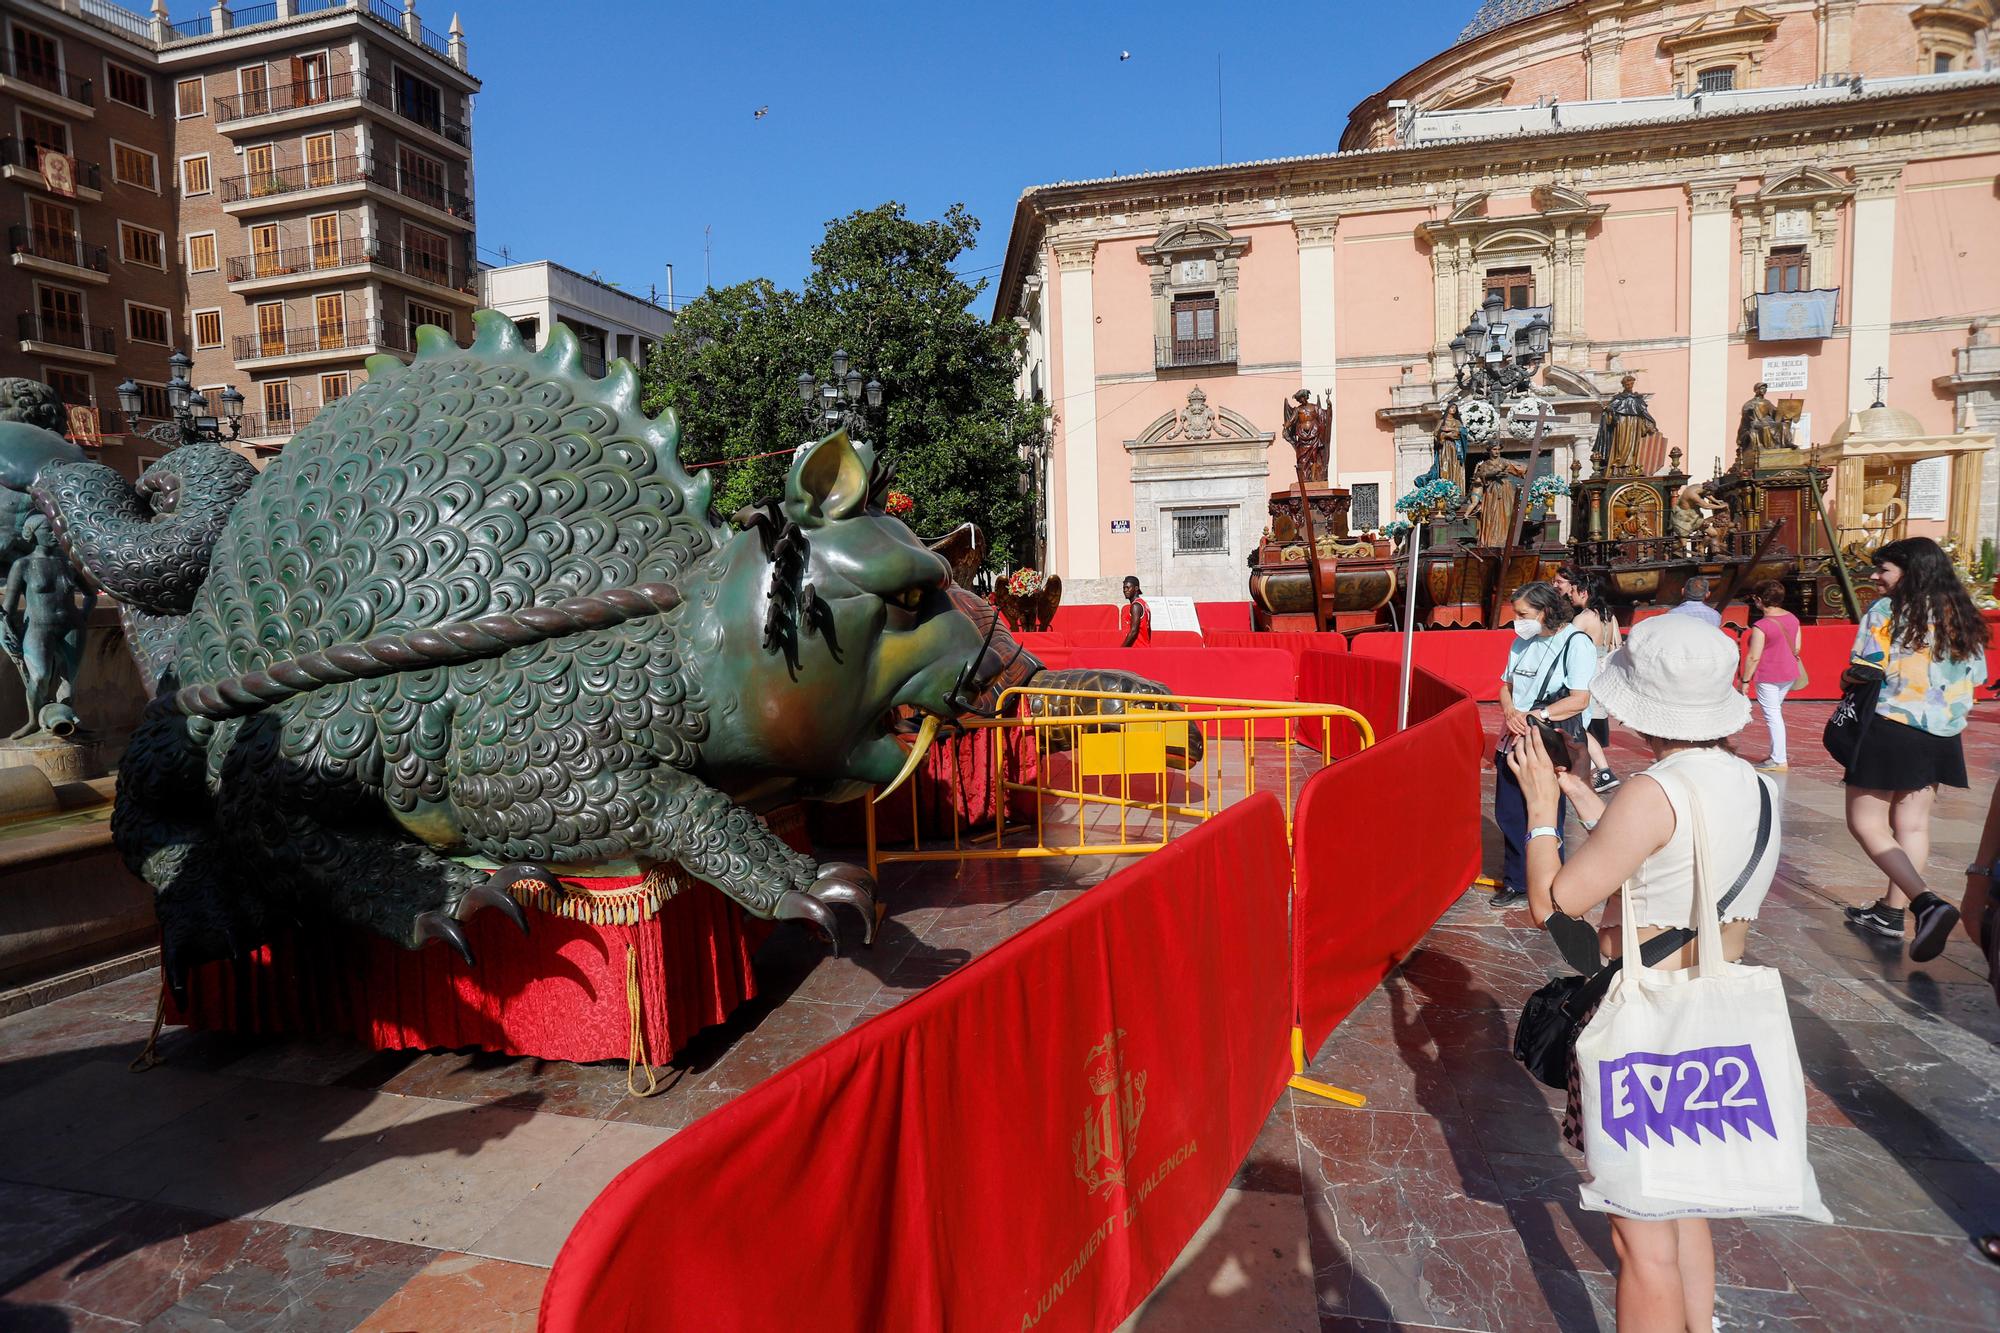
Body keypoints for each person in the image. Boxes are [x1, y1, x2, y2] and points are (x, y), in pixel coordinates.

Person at [1506, 614, 1777, 1333]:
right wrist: (1584, 793)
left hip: (1649, 1028)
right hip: (1713, 1019)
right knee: (1686, 1207)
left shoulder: (1653, 791)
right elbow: (1672, 853)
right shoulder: (1754, 786)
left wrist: (1540, 810)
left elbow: (1552, 905)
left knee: (1641, 1238)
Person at [1838, 536, 1990, 961]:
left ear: (1910, 571)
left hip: (1891, 726)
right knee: (1914, 825)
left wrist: (1847, 681)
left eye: (1883, 569)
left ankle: (1926, 902)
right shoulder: (1963, 614)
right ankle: (1891, 910)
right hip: (1942, 733)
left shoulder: (1888, 611)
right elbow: (1977, 674)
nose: (1875, 577)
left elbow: (1866, 668)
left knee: (1866, 822)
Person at [1491, 581, 1596, 910]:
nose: (1517, 620)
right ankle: (1517, 880)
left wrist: (1540, 714)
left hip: (1547, 741)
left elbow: (1579, 699)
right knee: (1508, 813)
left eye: (1523, 614)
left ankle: (1551, 884)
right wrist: (1510, 710)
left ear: (1546, 611)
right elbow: (1505, 685)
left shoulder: (1576, 644)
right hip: (1513, 738)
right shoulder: (1521, 642)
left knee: (1545, 813)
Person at [1554, 563, 1622, 793]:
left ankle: (1603, 771)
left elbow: (1566, 645)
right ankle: (1596, 769)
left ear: (1583, 591)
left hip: (1587, 671)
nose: (1570, 596)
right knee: (1586, 724)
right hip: (1603, 668)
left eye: (1573, 592)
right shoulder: (1608, 615)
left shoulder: (1584, 617)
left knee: (1581, 723)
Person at [1737, 580, 1804, 773]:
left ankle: (1779, 759)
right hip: (1788, 672)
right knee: (1776, 712)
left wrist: (1745, 680)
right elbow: (1797, 647)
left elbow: (1753, 656)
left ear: (1758, 600)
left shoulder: (1761, 626)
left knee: (1773, 715)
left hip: (1769, 674)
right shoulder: (1792, 618)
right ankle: (1777, 755)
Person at [1119, 576, 1151, 647]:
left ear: (1136, 588)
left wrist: (1121, 650)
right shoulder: (1145, 604)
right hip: (1144, 647)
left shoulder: (1135, 606)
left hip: (1137, 649)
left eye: (1128, 587)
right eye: (1124, 588)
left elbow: (1133, 631)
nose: (1125, 590)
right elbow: (1149, 630)